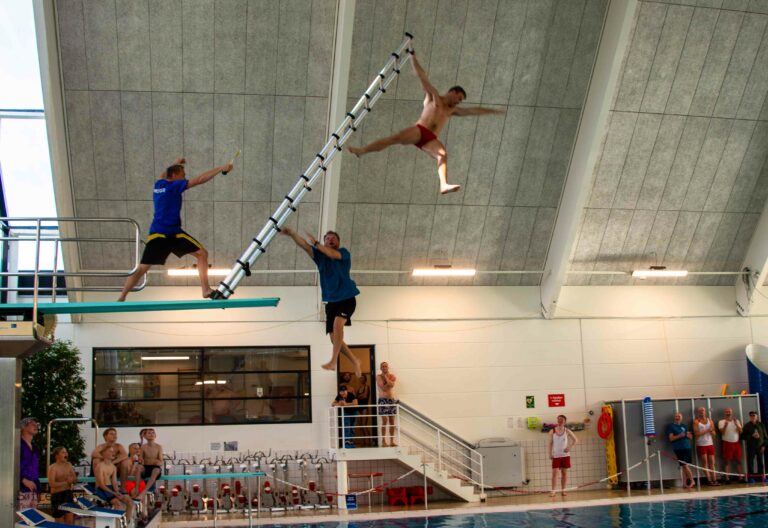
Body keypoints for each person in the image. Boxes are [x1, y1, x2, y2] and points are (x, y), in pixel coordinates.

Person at [347, 50, 504, 195]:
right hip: (420, 130)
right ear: (453, 92)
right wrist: (412, 57)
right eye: (459, 99)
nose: (459, 103)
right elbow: (422, 77)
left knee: (442, 155)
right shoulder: (432, 96)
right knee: (393, 139)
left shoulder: (451, 111)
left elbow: (473, 111)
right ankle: (363, 151)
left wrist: (492, 111)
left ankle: (443, 184)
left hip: (431, 139)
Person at [117, 157, 233, 301]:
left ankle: (122, 297)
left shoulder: (158, 184)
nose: (185, 178)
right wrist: (220, 168)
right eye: (182, 176)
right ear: (174, 176)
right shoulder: (173, 186)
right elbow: (200, 179)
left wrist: (176, 164)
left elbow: (163, 174)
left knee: (200, 254)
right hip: (168, 233)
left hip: (161, 233)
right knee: (201, 255)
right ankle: (206, 290)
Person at [280, 227, 362, 377]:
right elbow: (304, 245)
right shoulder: (319, 256)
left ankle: (333, 361)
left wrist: (317, 243)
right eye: (327, 238)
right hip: (331, 301)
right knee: (333, 338)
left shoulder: (343, 253)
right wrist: (292, 234)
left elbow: (330, 253)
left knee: (338, 326)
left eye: (333, 238)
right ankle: (355, 360)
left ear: (338, 242)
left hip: (347, 297)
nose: (330, 240)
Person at [94, 445, 135, 519]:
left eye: (113, 451)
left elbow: (115, 483)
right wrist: (114, 493)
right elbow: (101, 484)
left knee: (130, 502)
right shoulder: (100, 466)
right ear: (103, 453)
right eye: (110, 451)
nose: (113, 453)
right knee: (117, 503)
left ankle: (126, 524)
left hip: (110, 489)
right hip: (101, 490)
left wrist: (117, 492)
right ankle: (116, 524)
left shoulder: (113, 467)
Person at [548, 415, 578, 497]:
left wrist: (570, 447)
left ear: (565, 421)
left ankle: (563, 491)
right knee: (554, 473)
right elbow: (550, 443)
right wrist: (550, 453)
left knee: (564, 473)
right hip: (556, 456)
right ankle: (553, 491)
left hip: (565, 455)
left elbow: (575, 440)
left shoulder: (567, 431)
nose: (560, 421)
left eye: (562, 420)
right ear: (557, 421)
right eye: (559, 419)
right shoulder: (552, 431)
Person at [48, 446, 77, 524]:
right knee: (59, 522)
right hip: (57, 496)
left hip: (68, 494)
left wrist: (72, 481)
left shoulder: (69, 465)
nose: (66, 454)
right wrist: (66, 482)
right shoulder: (53, 467)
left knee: (70, 521)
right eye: (63, 452)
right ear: (57, 455)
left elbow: (74, 478)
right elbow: (52, 484)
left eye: (66, 452)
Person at [666, 412, 695, 488]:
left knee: (685, 465)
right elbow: (671, 438)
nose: (677, 417)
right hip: (678, 448)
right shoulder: (671, 426)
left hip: (687, 447)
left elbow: (690, 437)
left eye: (679, 416)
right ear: (674, 418)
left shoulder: (684, 426)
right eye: (676, 416)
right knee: (684, 465)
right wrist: (680, 435)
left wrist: (689, 436)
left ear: (681, 418)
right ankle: (690, 481)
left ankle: (688, 482)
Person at [18, 417, 41, 509]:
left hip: (33, 489)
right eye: (32, 424)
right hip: (20, 489)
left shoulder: (35, 448)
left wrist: (38, 489)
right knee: (20, 520)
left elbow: (35, 469)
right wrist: (23, 480)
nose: (36, 426)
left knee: (31, 521)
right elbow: (12, 466)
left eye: (36, 424)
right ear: (23, 427)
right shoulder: (18, 445)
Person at [718, 408, 744, 482]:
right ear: (724, 413)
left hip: (736, 442)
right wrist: (725, 425)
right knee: (726, 461)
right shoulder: (721, 422)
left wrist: (736, 424)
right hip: (727, 443)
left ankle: (741, 477)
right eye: (726, 412)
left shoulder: (737, 421)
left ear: (731, 413)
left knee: (738, 460)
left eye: (729, 412)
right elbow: (722, 432)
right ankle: (727, 478)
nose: (728, 413)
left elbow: (741, 431)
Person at [694, 406, 718, 485]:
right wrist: (707, 430)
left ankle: (714, 479)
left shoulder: (710, 421)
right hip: (701, 444)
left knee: (712, 463)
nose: (702, 412)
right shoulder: (696, 422)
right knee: (705, 463)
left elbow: (714, 434)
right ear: (698, 412)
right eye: (700, 411)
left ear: (705, 411)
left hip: (710, 443)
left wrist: (711, 431)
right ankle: (709, 479)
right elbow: (696, 434)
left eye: (703, 410)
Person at [376, 362, 398, 447]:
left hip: (391, 400)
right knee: (385, 420)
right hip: (382, 400)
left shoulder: (392, 375)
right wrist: (386, 378)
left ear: (388, 367)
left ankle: (392, 441)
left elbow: (391, 385)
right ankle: (383, 441)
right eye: (383, 366)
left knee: (392, 421)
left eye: (386, 366)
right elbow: (383, 388)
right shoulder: (378, 377)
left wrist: (387, 379)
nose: (385, 368)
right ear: (381, 368)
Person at [742, 410, 767, 483]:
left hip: (760, 446)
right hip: (751, 447)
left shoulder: (761, 425)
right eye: (751, 415)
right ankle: (751, 478)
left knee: (760, 462)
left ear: (757, 416)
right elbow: (743, 437)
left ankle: (762, 477)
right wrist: (751, 436)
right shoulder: (747, 426)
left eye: (754, 415)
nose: (753, 417)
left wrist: (763, 446)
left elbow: (765, 437)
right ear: (750, 417)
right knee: (750, 462)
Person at [139, 428, 164, 497]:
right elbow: (140, 459)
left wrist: (158, 463)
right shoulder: (143, 447)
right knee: (139, 467)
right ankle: (137, 489)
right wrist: (140, 460)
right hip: (146, 467)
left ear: (155, 435)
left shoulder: (159, 447)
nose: (151, 434)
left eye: (153, 433)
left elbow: (161, 460)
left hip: (155, 468)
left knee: (156, 470)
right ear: (145, 436)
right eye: (149, 433)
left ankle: (144, 491)